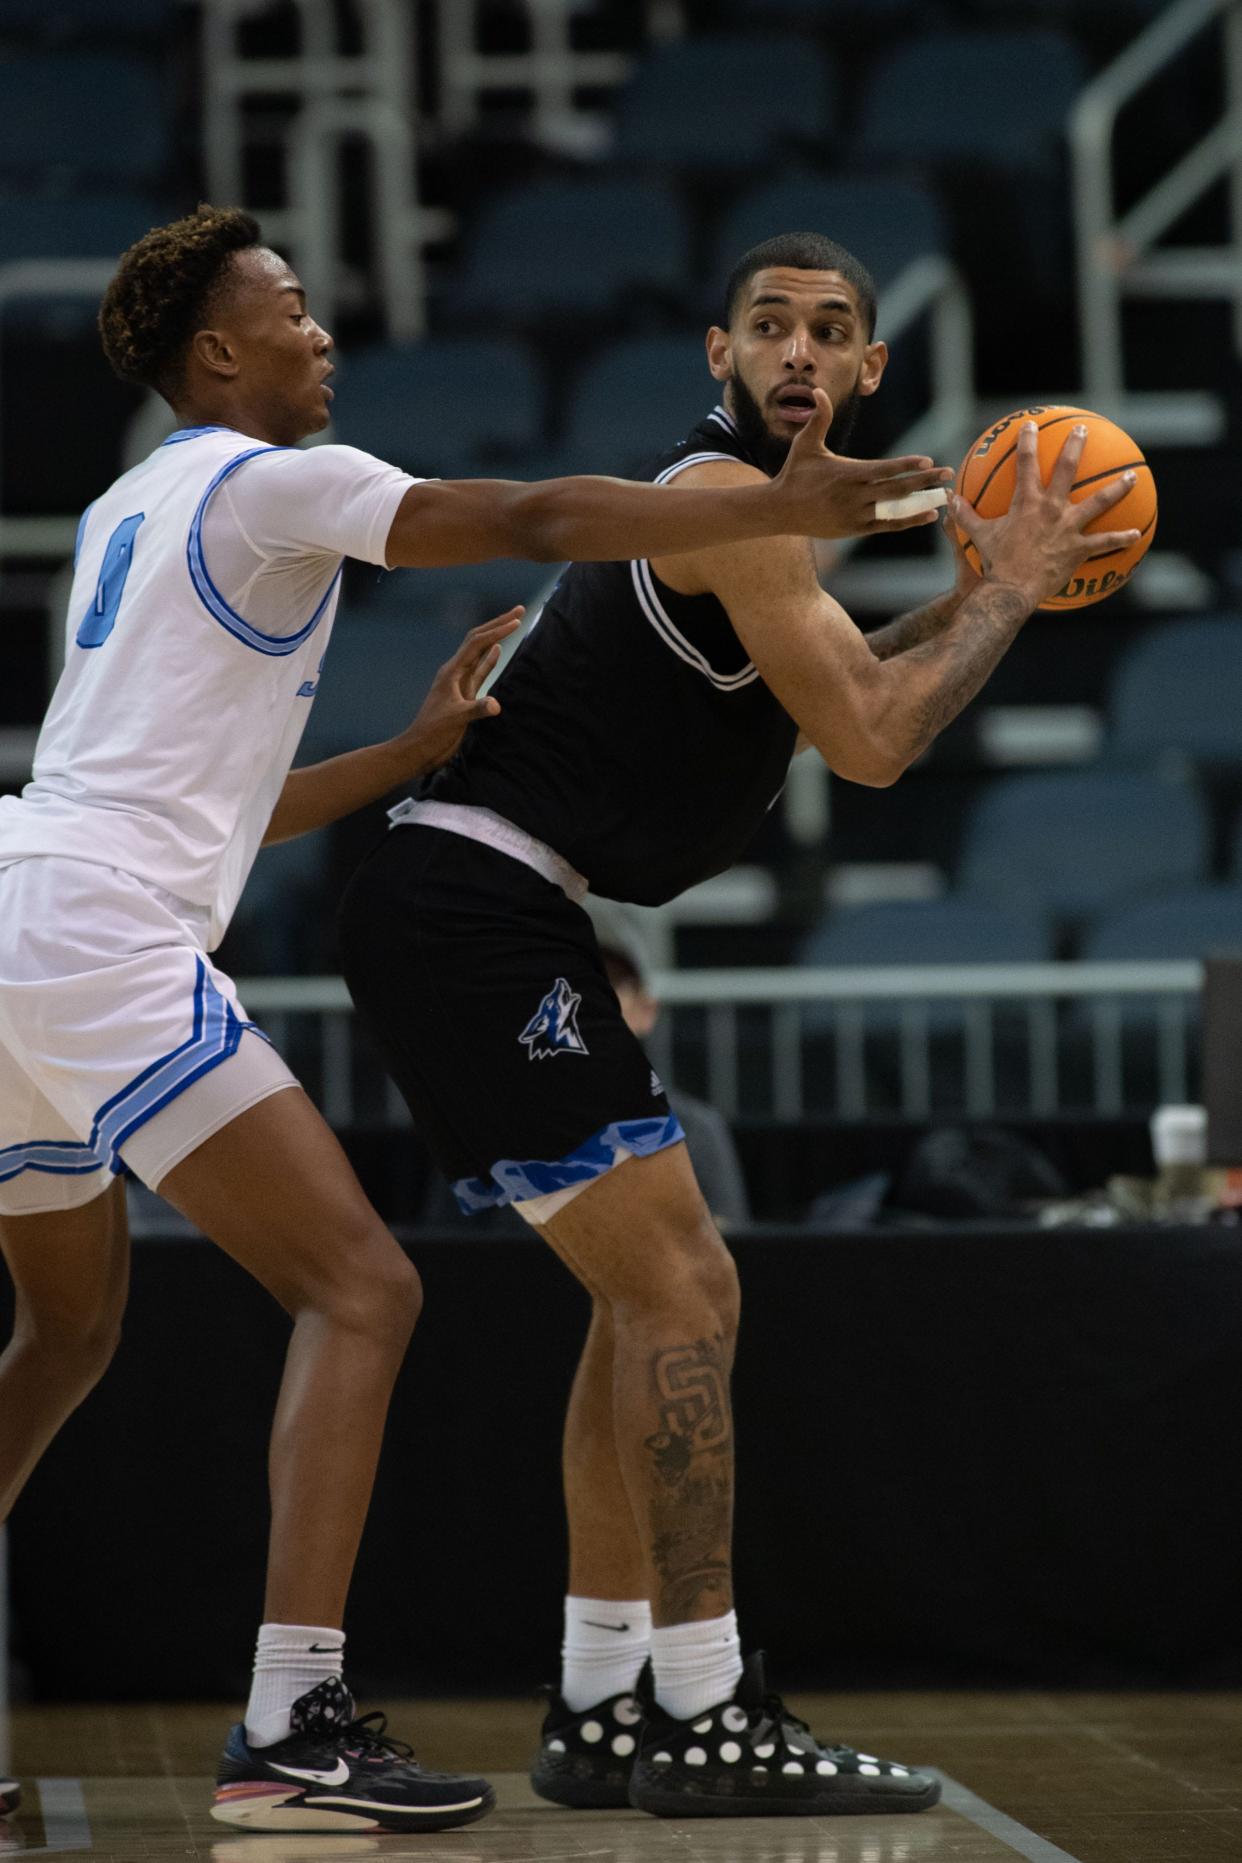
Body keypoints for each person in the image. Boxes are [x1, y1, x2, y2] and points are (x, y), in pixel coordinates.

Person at [0, 205, 949, 1836]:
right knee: (362, 1288)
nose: (322, 333)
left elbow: (218, 805)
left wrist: (410, 749)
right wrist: (781, 504)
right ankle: (293, 1726)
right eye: (290, 309)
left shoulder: (124, 508)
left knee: (68, 1337)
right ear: (216, 352)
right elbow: (522, 509)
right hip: (93, 931)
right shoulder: (270, 472)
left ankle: (569, 1700)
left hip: (27, 900)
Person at [338, 230, 1141, 1820]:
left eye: (826, 330)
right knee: (690, 1289)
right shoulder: (723, 506)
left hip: (476, 905)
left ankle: (595, 1696)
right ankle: (703, 1708)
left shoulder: (762, 533)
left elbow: (842, 671)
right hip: (477, 904)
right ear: (719, 355)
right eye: (766, 325)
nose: (794, 350)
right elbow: (872, 744)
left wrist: (978, 596)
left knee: (636, 1307)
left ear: (866, 372)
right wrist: (1011, 603)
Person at [587, 900, 750, 1229]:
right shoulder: (494, 1128)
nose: (587, 997)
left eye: (608, 981)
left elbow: (730, 1255)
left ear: (646, 1010)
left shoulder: (694, 1130)